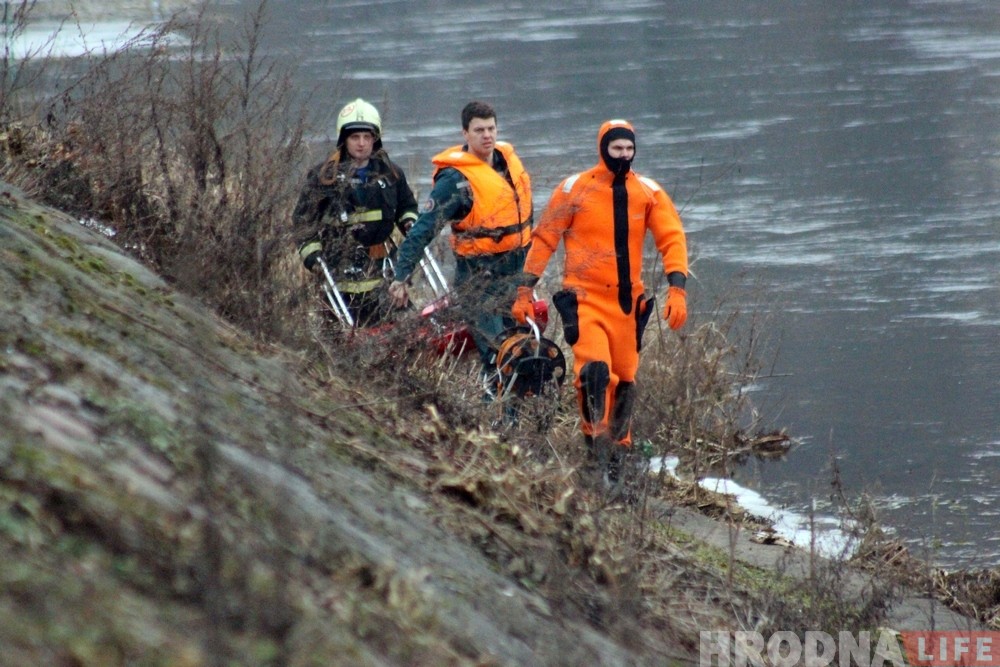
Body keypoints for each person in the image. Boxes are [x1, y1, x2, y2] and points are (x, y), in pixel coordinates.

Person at [510, 119, 689, 485]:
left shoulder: (649, 192)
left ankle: (617, 462)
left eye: (628, 149)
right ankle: (595, 453)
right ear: (602, 148)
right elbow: (545, 239)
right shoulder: (575, 189)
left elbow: (672, 238)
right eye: (616, 148)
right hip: (585, 300)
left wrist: (677, 288)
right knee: (594, 374)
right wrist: (524, 290)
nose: (623, 155)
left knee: (625, 382)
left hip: (628, 307)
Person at [388, 100, 533, 390]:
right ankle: (491, 419)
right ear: (465, 134)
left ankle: (513, 422)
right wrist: (401, 277)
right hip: (479, 280)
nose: (487, 136)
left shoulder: (507, 161)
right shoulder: (454, 182)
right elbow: (422, 230)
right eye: (479, 130)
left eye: (491, 128)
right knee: (497, 354)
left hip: (516, 276)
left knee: (521, 352)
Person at [293, 98, 419, 327]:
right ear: (344, 140)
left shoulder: (391, 174)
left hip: (383, 274)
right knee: (341, 338)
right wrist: (314, 257)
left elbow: (407, 207)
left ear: (375, 139)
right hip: (338, 276)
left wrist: (410, 223)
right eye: (355, 137)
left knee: (396, 331)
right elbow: (303, 223)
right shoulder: (322, 178)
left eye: (367, 137)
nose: (361, 143)